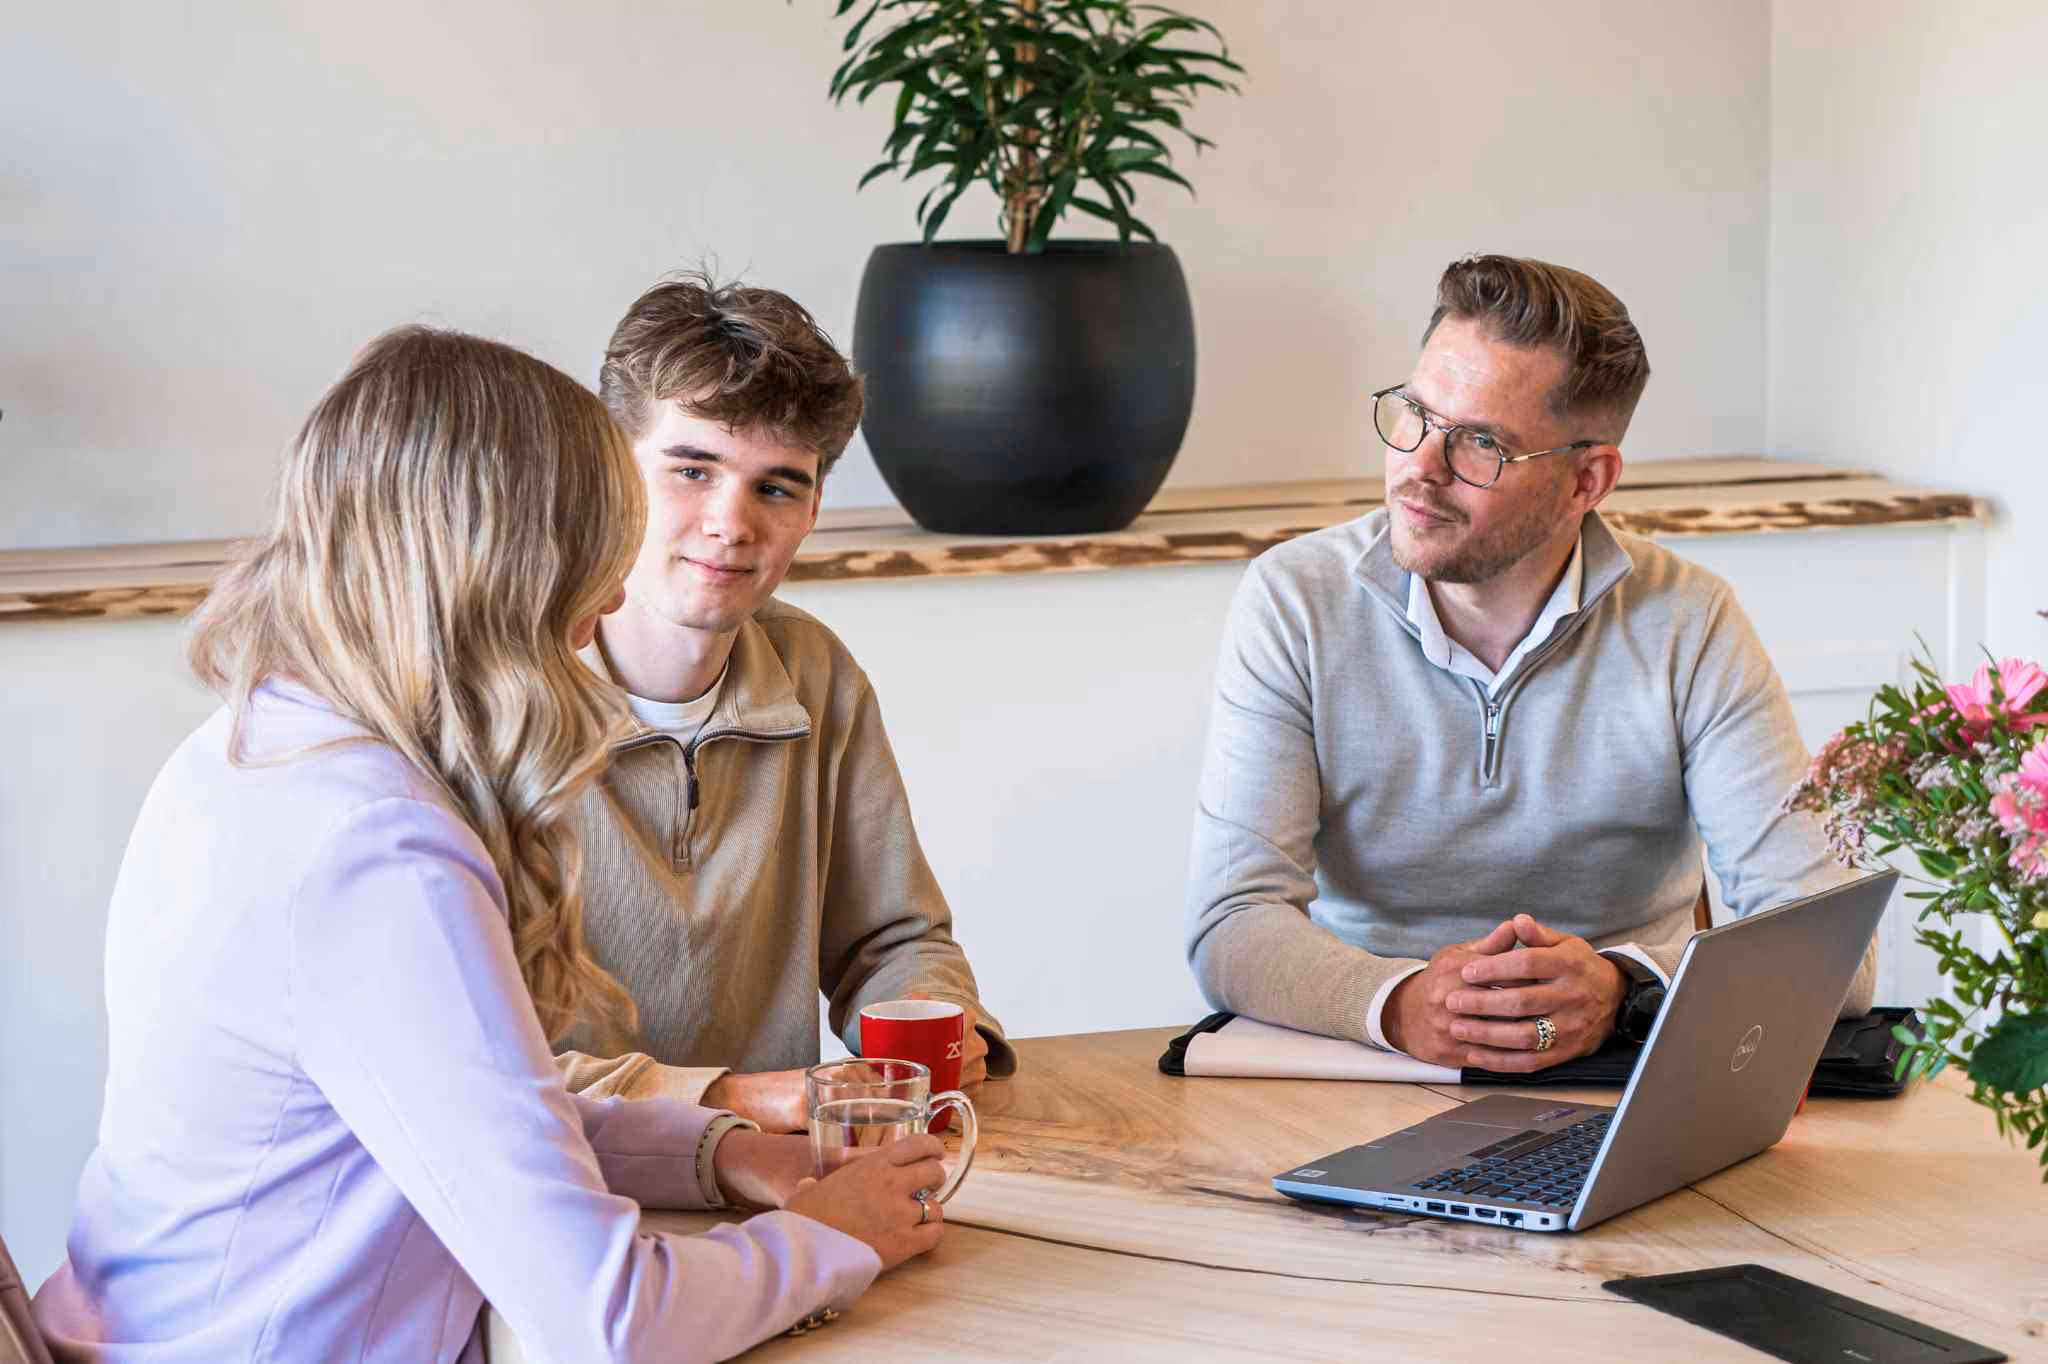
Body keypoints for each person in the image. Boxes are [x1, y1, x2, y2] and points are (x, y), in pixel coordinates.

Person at [32, 328, 943, 1362]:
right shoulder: (377, 851)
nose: (606, 604)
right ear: (498, 571)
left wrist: (721, 1152)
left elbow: (473, 1111)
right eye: (590, 564)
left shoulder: (256, 747)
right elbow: (605, 1319)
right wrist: (825, 1238)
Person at [1185, 254, 1875, 1074]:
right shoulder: (1294, 601)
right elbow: (1231, 921)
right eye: (1414, 414)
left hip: (1622, 1078)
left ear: (1588, 479)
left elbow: (1836, 951)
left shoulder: (1692, 623)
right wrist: (1399, 1003)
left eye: (1481, 444)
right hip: (1366, 1062)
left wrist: (1625, 989)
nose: (1419, 468)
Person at [550, 272, 1013, 1131]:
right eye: (691, 470)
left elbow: (894, 941)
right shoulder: (493, 696)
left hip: (775, 1184)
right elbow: (468, 1066)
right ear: (608, 471)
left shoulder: (814, 671)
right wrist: (733, 1098)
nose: (733, 523)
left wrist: (936, 1020)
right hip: (562, 1188)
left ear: (813, 508)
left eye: (777, 486)